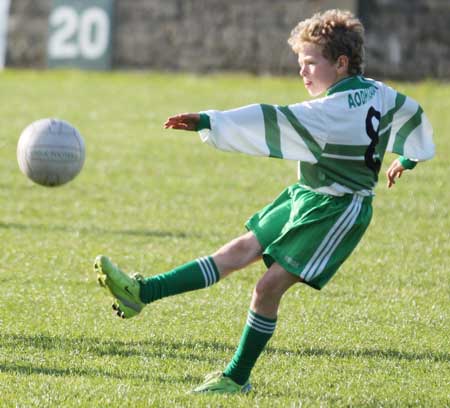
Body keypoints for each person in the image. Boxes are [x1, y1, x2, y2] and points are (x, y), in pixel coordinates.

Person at [94, 9, 434, 394]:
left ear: (340, 63)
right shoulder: (378, 91)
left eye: (310, 63)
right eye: (299, 63)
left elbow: (271, 120)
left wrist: (210, 121)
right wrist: (408, 156)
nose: (302, 72)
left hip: (339, 208)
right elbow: (412, 114)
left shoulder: (329, 111)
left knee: (267, 288)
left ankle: (237, 378)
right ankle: (144, 293)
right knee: (238, 251)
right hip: (307, 195)